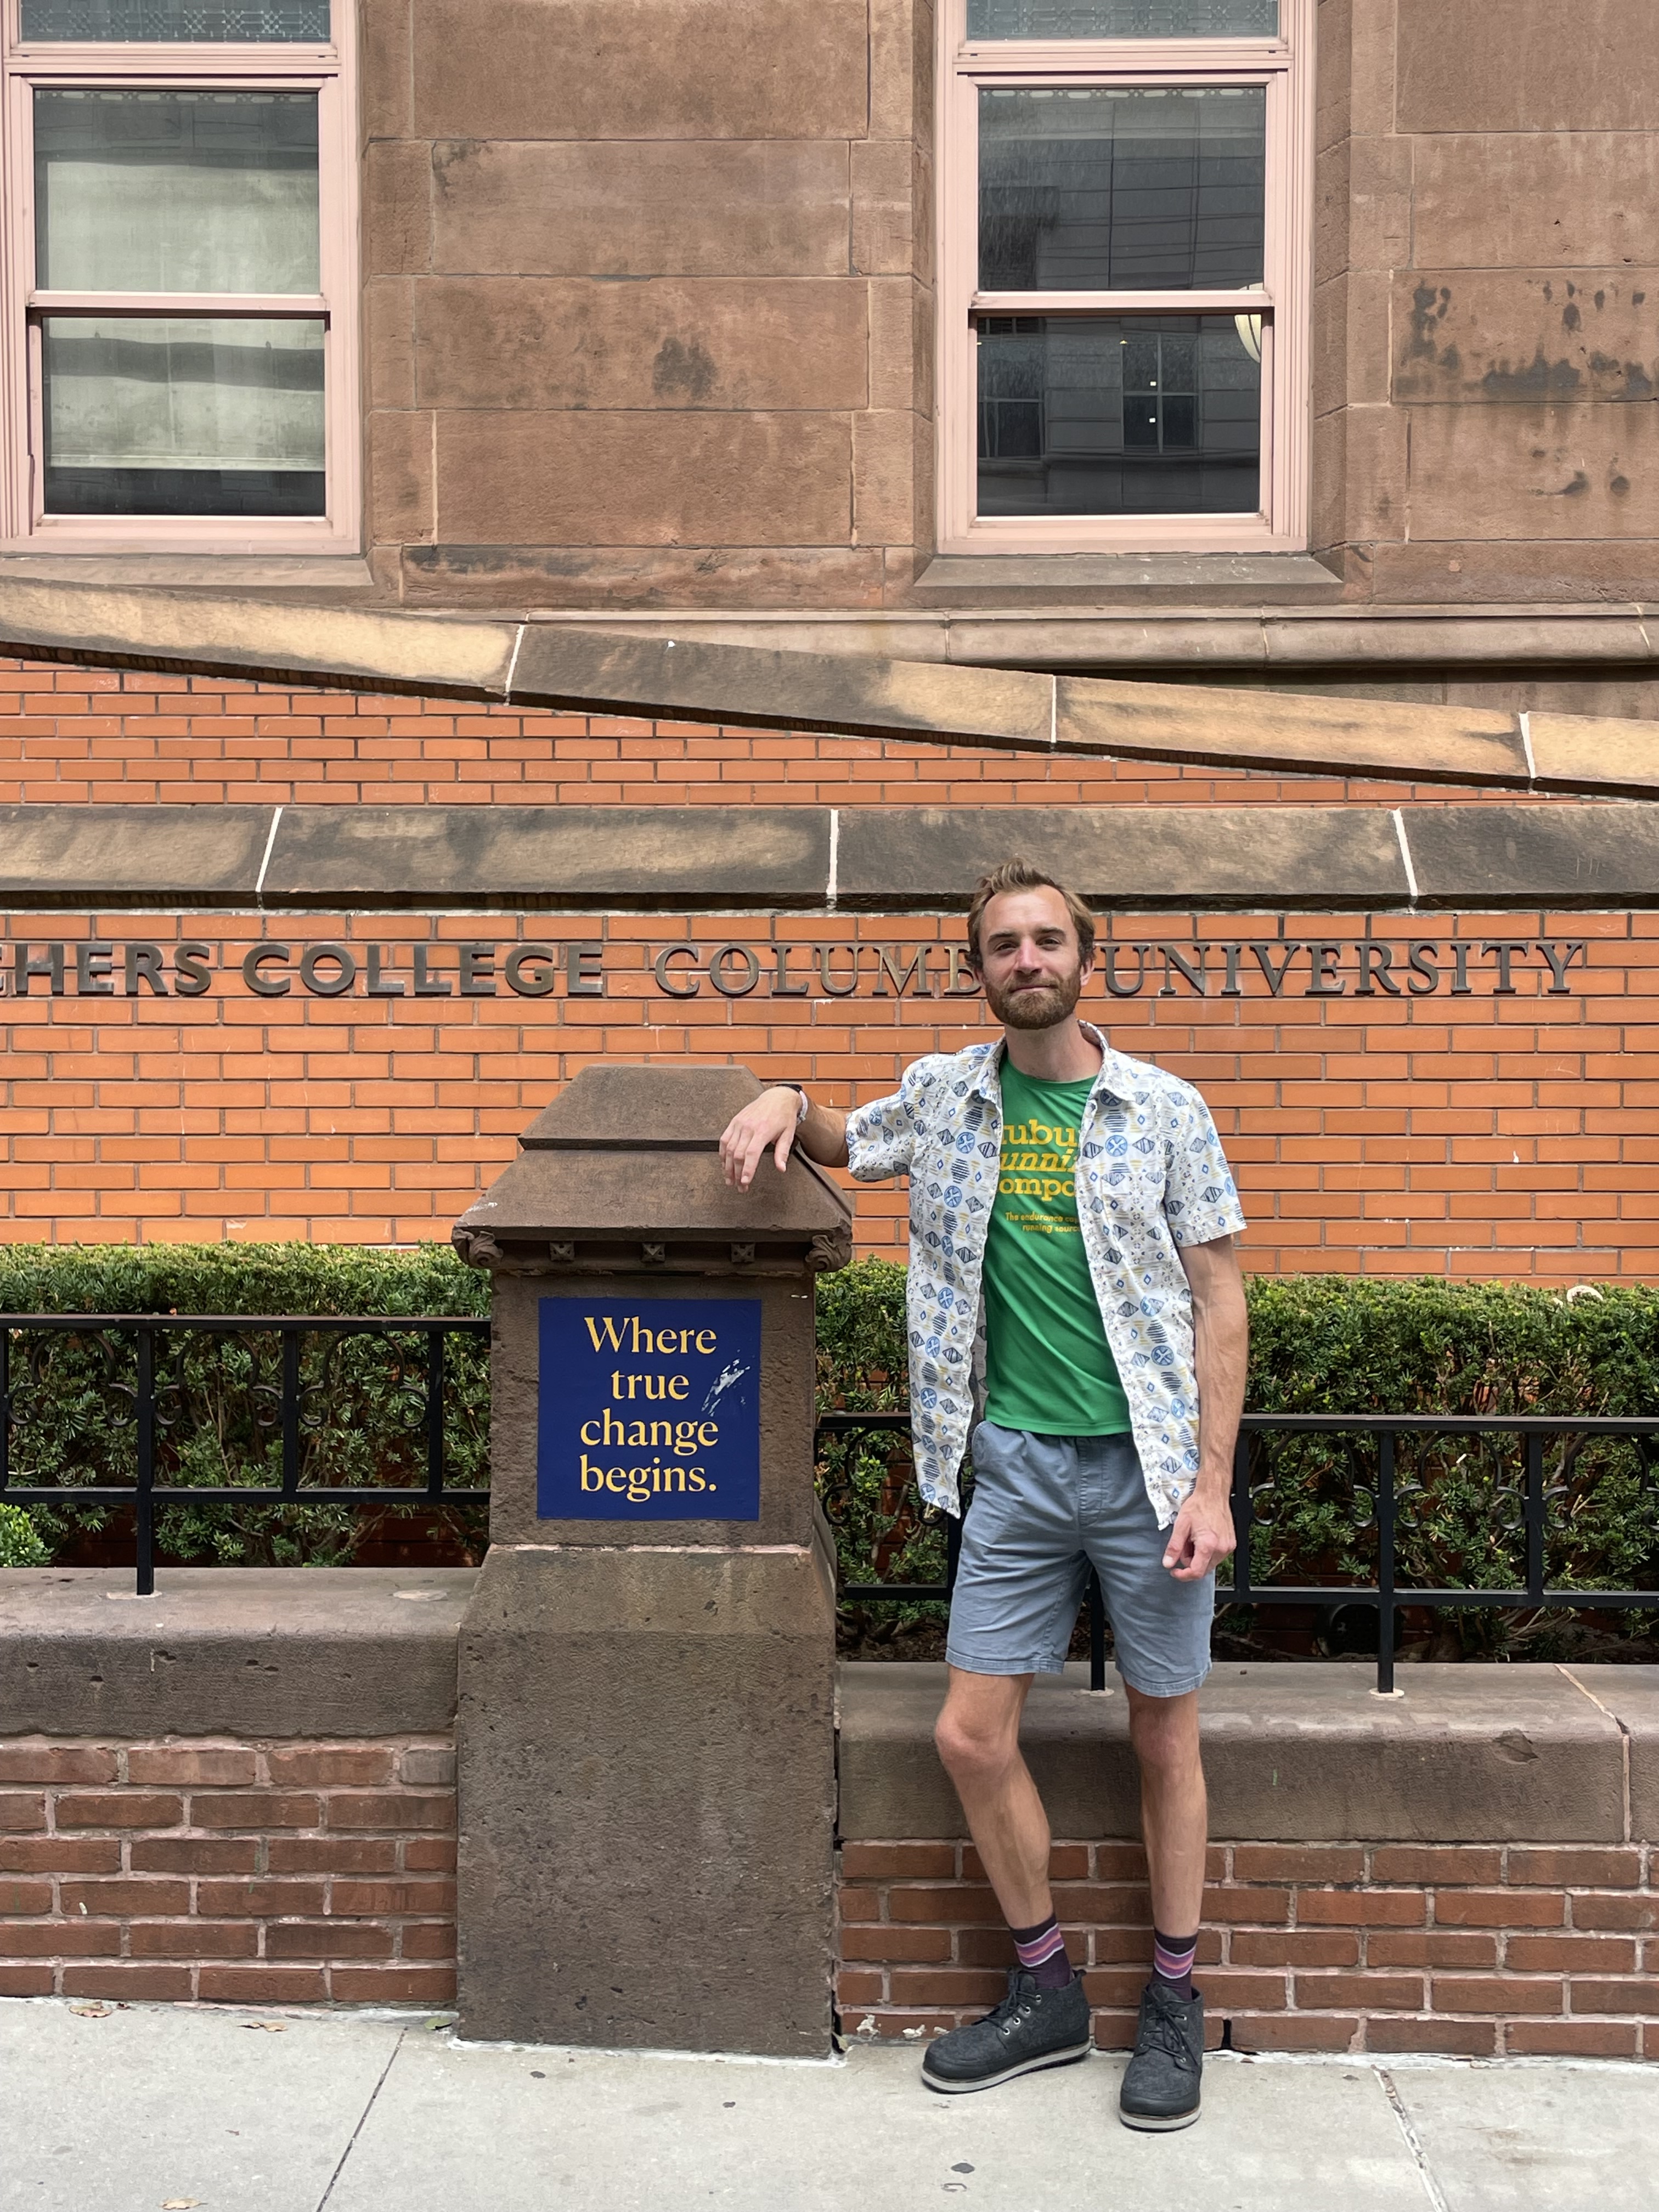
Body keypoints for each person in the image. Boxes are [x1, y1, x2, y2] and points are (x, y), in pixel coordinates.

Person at [718, 859, 1248, 2132]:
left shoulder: (1165, 1110)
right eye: (1003, 944)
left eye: (1047, 939)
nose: (1027, 960)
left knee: (1165, 1737)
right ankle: (1046, 1990)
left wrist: (1213, 1484)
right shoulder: (948, 1097)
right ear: (979, 969)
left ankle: (1171, 2004)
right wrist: (782, 1096)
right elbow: (848, 1139)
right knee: (968, 1735)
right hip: (1009, 1464)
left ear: (1085, 956)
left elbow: (1220, 1295)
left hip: (1149, 1470)